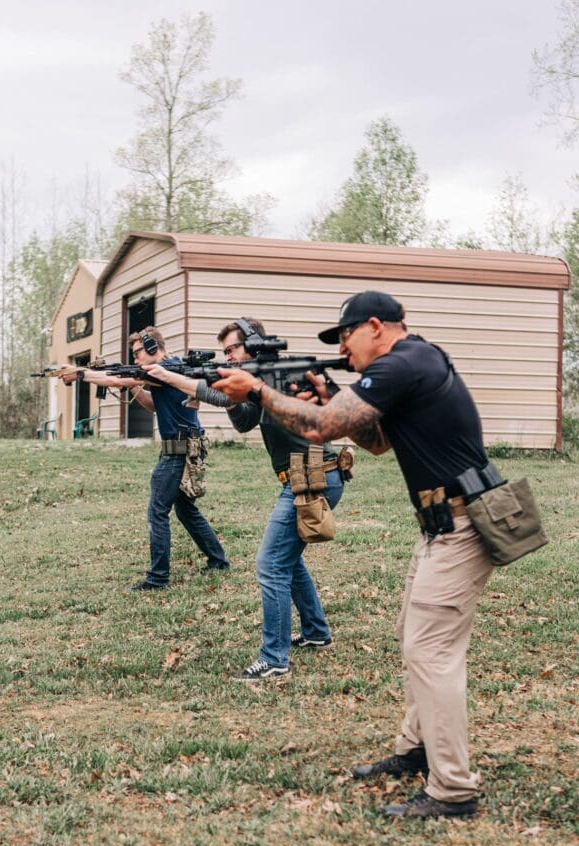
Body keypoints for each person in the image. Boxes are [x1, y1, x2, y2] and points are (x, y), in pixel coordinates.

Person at [213, 292, 494, 818]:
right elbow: (379, 440)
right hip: (444, 522)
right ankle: (417, 749)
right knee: (414, 638)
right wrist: (331, 394)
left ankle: (453, 789)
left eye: (344, 337)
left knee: (430, 653)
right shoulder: (412, 363)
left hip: (462, 524)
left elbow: (321, 431)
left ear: (374, 326)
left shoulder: (402, 361)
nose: (343, 348)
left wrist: (258, 389)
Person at [146, 318, 344, 680]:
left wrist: (171, 377)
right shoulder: (257, 381)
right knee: (288, 561)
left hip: (313, 475)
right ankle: (316, 632)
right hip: (307, 475)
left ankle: (274, 659)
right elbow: (244, 421)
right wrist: (229, 397)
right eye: (225, 352)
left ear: (253, 346)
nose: (229, 357)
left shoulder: (277, 374)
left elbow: (222, 394)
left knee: (270, 565)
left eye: (233, 349)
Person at [61, 327, 229, 591]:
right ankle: (218, 561)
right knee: (185, 510)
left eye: (138, 352)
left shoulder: (167, 369)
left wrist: (81, 373)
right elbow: (154, 404)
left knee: (157, 511)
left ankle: (158, 578)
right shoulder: (167, 372)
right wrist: (136, 386)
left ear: (153, 348)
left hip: (178, 450)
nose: (136, 358)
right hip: (184, 446)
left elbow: (116, 381)